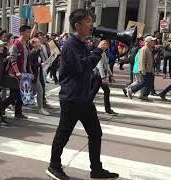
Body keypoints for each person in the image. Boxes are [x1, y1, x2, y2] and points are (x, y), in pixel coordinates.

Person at [46, 9, 119, 180]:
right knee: (64, 133)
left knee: (95, 133)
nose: (91, 24)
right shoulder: (71, 45)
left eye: (90, 20)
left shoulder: (83, 43)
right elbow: (83, 67)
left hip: (83, 98)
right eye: (87, 21)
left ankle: (96, 170)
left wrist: (96, 50)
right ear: (77, 25)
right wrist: (98, 51)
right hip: (72, 98)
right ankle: (53, 166)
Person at [3, 25, 32, 119]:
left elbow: (27, 60)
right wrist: (17, 72)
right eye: (27, 32)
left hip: (23, 73)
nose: (29, 34)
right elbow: (13, 59)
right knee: (15, 94)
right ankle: (1, 106)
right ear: (22, 33)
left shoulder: (25, 44)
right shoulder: (16, 44)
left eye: (29, 32)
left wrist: (29, 71)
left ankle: (18, 112)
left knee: (20, 94)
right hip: (15, 74)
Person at [91, 43, 118, 115]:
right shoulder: (100, 53)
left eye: (107, 44)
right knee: (103, 91)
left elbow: (106, 65)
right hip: (98, 75)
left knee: (94, 92)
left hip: (100, 75)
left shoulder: (103, 53)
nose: (107, 45)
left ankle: (84, 106)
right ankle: (108, 109)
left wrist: (111, 75)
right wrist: (103, 77)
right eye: (105, 44)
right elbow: (100, 66)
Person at [127, 36, 157, 101]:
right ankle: (131, 90)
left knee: (149, 83)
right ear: (147, 42)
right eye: (152, 41)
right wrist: (142, 69)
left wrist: (152, 70)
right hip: (145, 70)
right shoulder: (144, 49)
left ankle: (144, 95)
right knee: (144, 82)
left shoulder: (149, 49)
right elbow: (142, 60)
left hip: (149, 69)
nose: (153, 42)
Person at [28, 38, 50, 116]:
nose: (39, 43)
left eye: (39, 42)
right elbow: (31, 65)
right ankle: (40, 109)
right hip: (33, 74)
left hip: (37, 73)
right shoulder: (32, 53)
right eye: (37, 42)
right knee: (40, 90)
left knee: (33, 91)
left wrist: (44, 64)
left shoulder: (38, 52)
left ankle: (15, 103)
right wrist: (40, 65)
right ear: (33, 44)